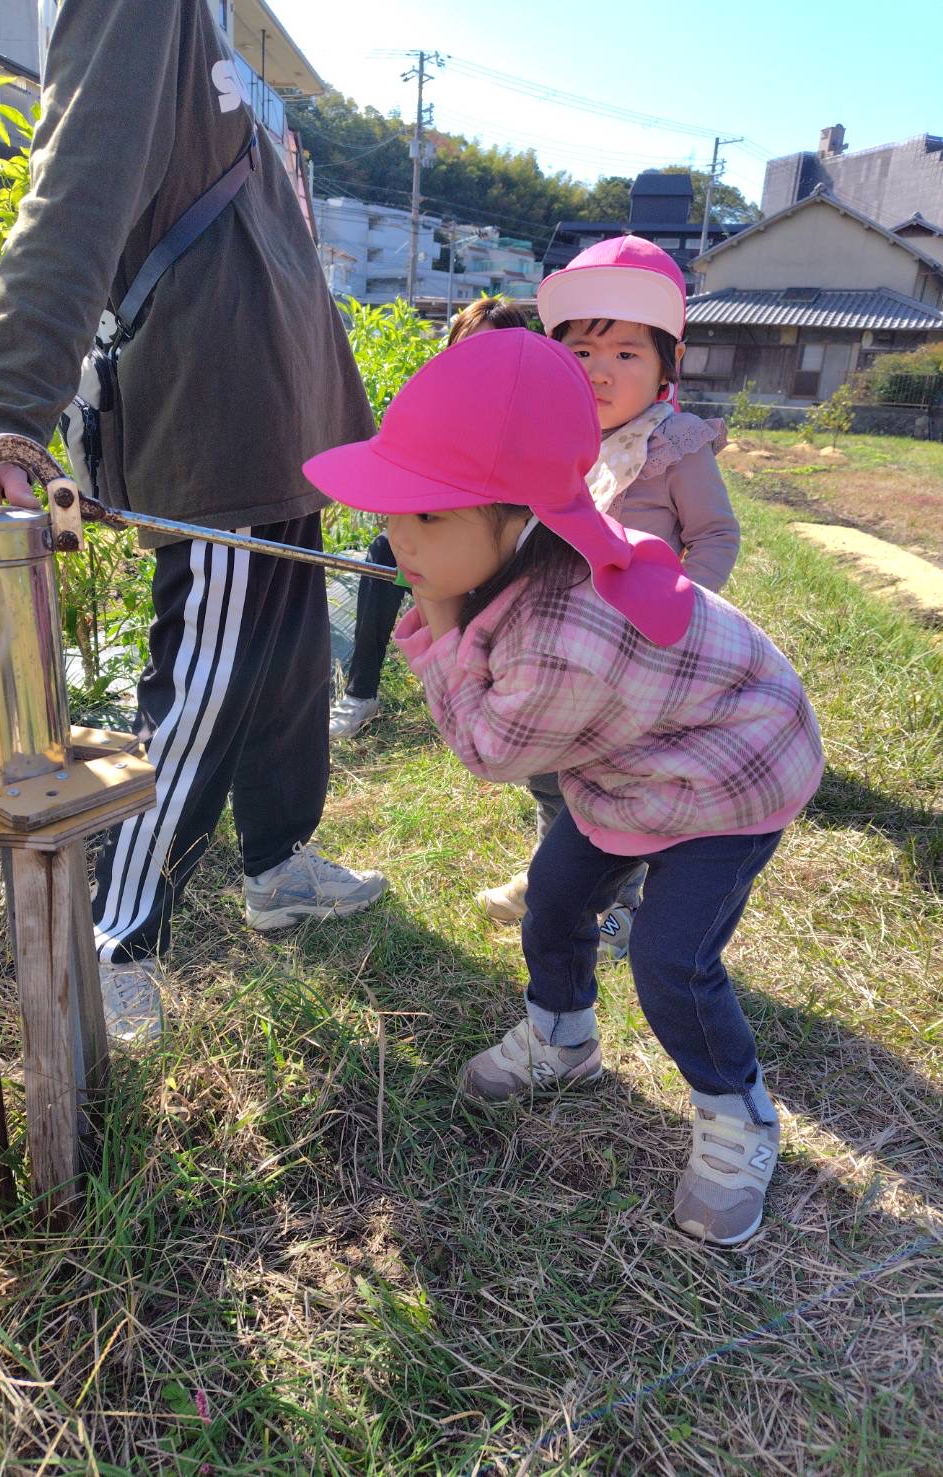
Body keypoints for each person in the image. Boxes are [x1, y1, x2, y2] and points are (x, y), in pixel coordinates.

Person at [0, 0, 386, 1045]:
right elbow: (78, 184)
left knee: (287, 661)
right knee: (207, 682)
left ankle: (275, 864)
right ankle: (116, 935)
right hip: (220, 413)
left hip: (276, 407)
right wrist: (2, 407)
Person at [303, 329, 824, 1247]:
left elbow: (491, 749)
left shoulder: (558, 633)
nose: (398, 540)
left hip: (734, 771)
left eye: (430, 518)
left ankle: (740, 1115)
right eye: (395, 512)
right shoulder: (534, 556)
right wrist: (451, 607)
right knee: (554, 895)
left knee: (672, 957)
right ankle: (563, 1035)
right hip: (641, 759)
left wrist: (433, 623)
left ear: (518, 517)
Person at [477, 236, 741, 960]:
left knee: (615, 786)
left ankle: (616, 902)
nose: (600, 371)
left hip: (639, 652)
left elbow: (716, 535)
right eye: (582, 351)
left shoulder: (672, 443)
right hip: (562, 647)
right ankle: (550, 878)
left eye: (627, 353)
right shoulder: (553, 436)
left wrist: (681, 611)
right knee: (548, 774)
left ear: (666, 367)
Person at [329, 296, 532, 742]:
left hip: (508, 540)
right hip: (450, 537)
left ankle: (469, 682)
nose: (478, 365)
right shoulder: (440, 412)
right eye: (466, 351)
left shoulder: (529, 413)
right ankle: (362, 691)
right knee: (385, 552)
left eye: (492, 352)